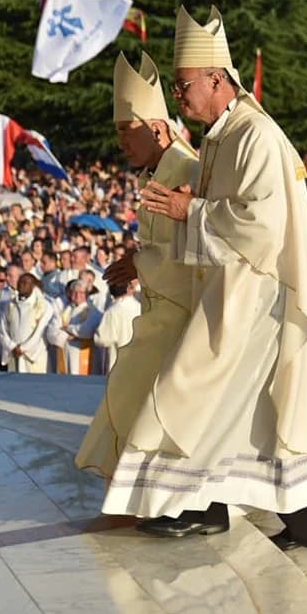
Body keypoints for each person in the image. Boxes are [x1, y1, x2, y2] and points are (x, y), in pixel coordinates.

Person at [132, 5, 307, 549]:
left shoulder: (257, 136)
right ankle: (300, 522)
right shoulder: (222, 137)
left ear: (217, 79)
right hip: (231, 294)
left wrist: (189, 213)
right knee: (247, 418)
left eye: (184, 86)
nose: (180, 97)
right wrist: (186, 214)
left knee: (204, 396)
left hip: (257, 302)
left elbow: (262, 225)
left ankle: (211, 506)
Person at [76, 53, 200, 479]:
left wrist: (139, 262)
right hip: (160, 312)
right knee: (132, 394)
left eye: (129, 132)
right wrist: (137, 259)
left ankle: (170, 496)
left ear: (159, 128)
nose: (122, 143)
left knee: (148, 400)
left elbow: (194, 252)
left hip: (185, 318)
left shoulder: (187, 169)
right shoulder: (157, 170)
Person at [0, 272, 53, 373]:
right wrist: (12, 346)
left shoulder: (43, 305)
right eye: (20, 282)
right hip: (14, 353)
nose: (21, 284)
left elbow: (39, 331)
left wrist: (23, 348)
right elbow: (3, 329)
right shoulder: (11, 305)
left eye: (25, 282)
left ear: (33, 286)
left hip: (33, 356)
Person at [48, 280, 103, 375]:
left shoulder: (92, 311)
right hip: (65, 353)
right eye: (75, 292)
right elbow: (51, 332)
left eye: (81, 292)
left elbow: (86, 331)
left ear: (86, 294)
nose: (78, 295)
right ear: (70, 294)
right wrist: (68, 336)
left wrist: (67, 328)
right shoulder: (64, 310)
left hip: (83, 352)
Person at [93, 282, 141, 372]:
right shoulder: (140, 308)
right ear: (128, 289)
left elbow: (103, 339)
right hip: (138, 360)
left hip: (117, 362)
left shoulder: (112, 311)